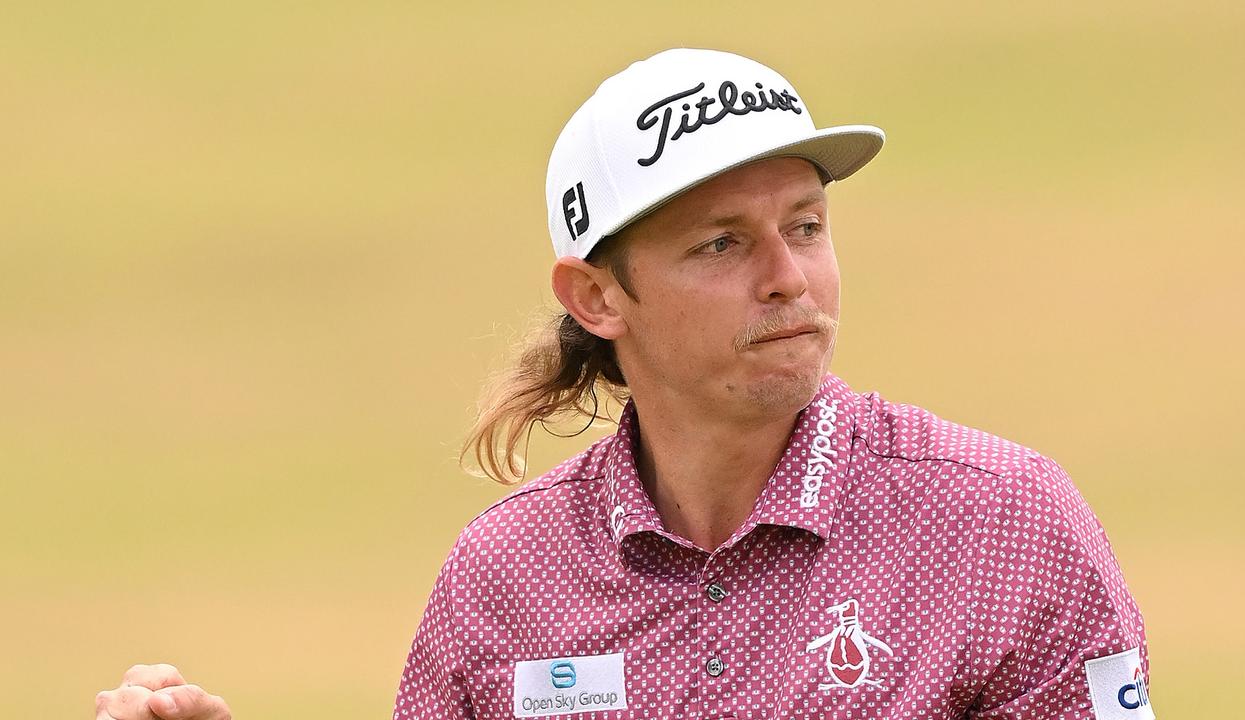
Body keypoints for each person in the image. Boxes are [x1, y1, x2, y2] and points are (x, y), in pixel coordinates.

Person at [95, 48, 1153, 720]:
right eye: (720, 244)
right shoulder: (501, 583)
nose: (788, 280)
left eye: (805, 227)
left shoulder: (1000, 521)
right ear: (596, 295)